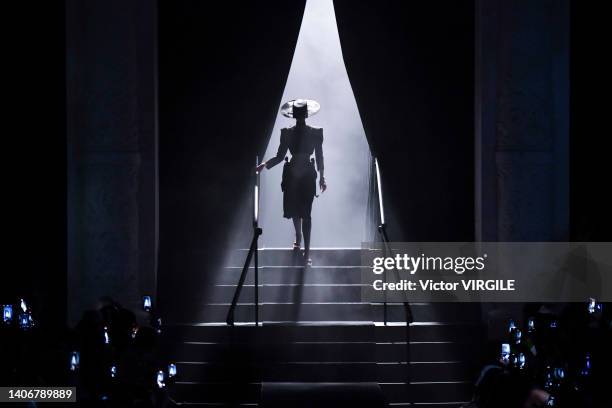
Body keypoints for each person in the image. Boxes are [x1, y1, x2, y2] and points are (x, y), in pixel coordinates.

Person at [257, 99, 327, 265]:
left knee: (305, 213)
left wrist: (322, 177)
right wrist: (265, 165)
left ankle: (306, 252)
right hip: (293, 174)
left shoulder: (315, 132)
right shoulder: (287, 133)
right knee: (296, 210)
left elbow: (319, 156)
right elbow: (280, 156)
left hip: (306, 175)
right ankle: (298, 239)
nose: (300, 117)